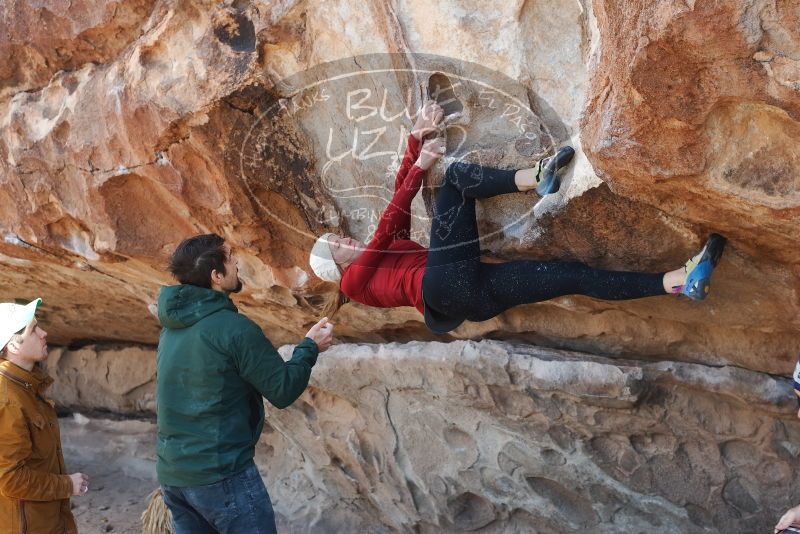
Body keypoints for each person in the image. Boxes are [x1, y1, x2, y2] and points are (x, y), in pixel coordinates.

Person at [308, 101, 727, 333]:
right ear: (337, 266)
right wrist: (423, 167)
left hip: (472, 300)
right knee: (453, 181)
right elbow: (385, 225)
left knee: (572, 276)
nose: (345, 239)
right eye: (337, 245)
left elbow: (398, 208)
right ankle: (534, 178)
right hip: (442, 287)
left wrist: (413, 142)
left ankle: (677, 282)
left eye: (338, 237)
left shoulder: (378, 259)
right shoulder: (355, 282)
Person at [156, 234, 334, 534]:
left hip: (173, 476)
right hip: (221, 474)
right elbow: (282, 389)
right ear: (216, 276)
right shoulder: (235, 329)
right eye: (230, 257)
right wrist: (309, 347)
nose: (237, 262)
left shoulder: (170, 331)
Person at [0, 298, 89, 534]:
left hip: (44, 521)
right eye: (34, 329)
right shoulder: (8, 399)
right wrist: (66, 485)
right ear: (14, 346)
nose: (44, 332)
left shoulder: (25, 388)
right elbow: (10, 480)